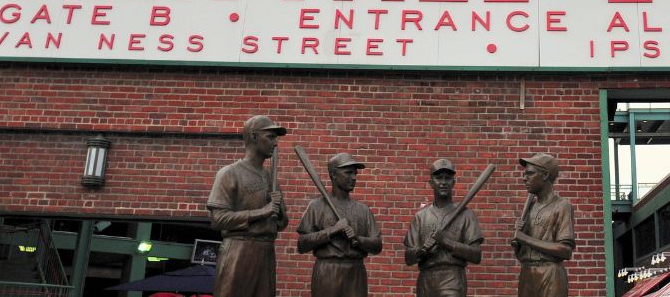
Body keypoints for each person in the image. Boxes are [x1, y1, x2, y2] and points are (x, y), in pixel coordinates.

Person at [206, 115, 288, 297]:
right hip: (239, 250)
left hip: (266, 251)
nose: (275, 143)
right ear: (253, 137)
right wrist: (261, 212)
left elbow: (281, 224)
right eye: (270, 137)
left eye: (276, 138)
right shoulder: (229, 173)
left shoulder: (271, 178)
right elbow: (218, 219)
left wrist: (279, 211)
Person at [297, 152, 383, 297]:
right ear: (333, 175)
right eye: (348, 173)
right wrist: (332, 231)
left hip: (355, 273)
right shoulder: (316, 207)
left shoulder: (363, 210)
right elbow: (302, 244)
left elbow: (377, 245)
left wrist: (359, 239)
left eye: (355, 173)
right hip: (327, 272)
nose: (354, 177)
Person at [404, 159, 484, 296]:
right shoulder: (421, 217)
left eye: (448, 178)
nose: (443, 182)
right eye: (438, 178)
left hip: (453, 278)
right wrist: (422, 250)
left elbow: (476, 255)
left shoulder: (466, 215)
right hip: (426, 279)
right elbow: (408, 258)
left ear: (454, 182)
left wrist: (446, 242)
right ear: (431, 183)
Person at [512, 153, 575, 297]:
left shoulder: (561, 205)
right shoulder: (529, 207)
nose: (524, 178)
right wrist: (518, 244)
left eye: (530, 174)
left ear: (545, 175)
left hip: (550, 274)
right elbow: (522, 253)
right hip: (527, 273)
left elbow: (565, 250)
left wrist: (524, 238)